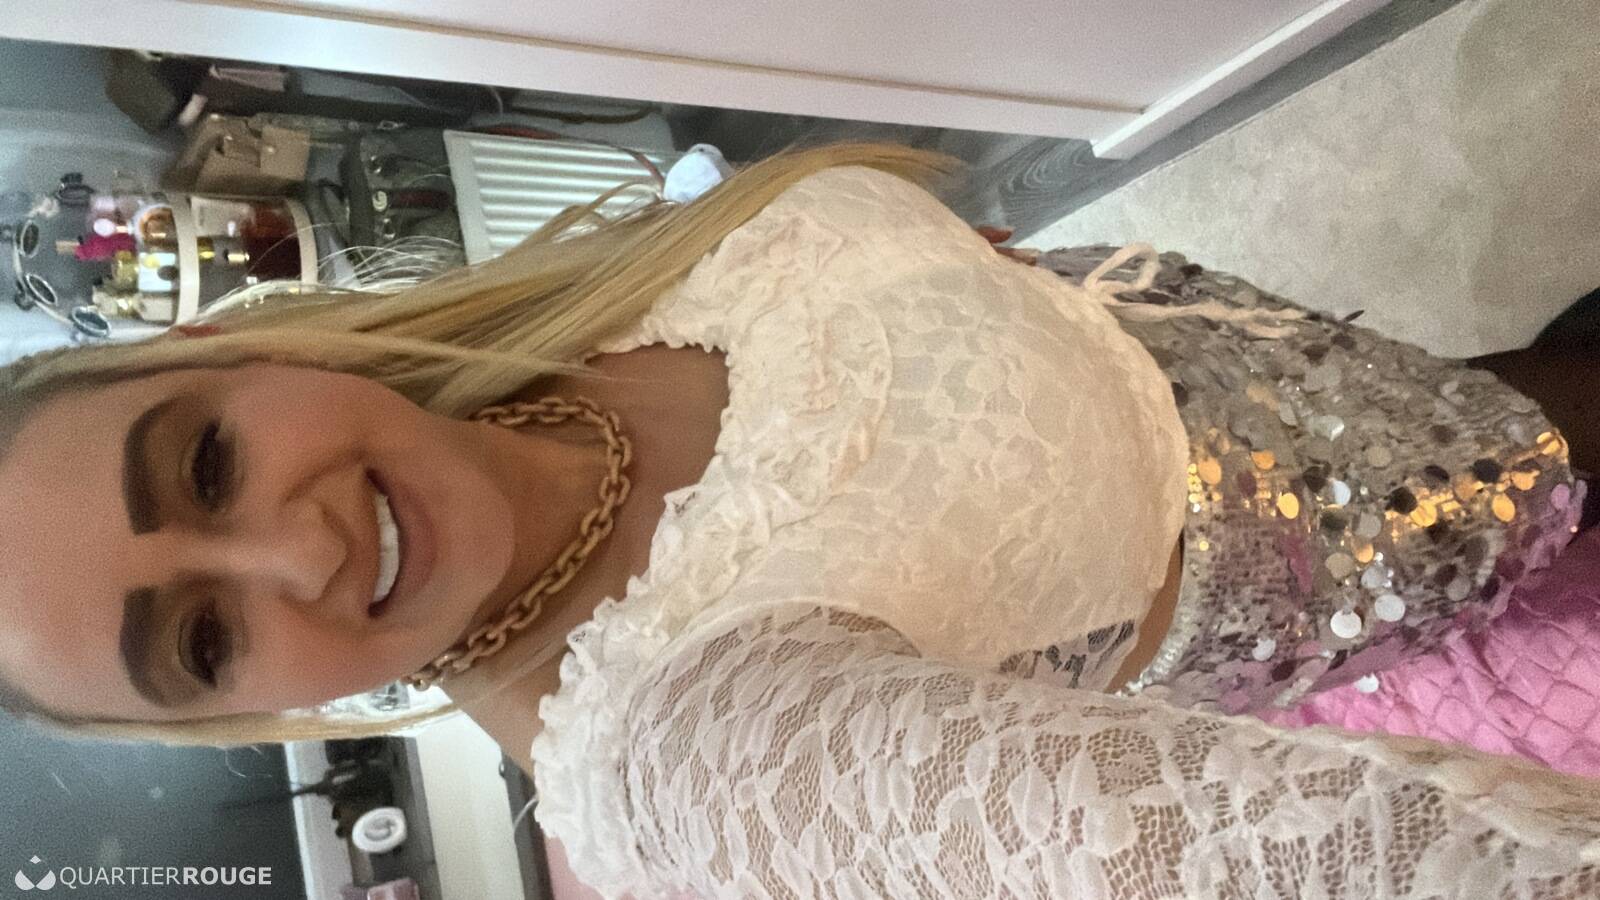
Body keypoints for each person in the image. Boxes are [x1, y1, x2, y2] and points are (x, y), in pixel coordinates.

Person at [0, 145, 1596, 898]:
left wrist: (985, 294)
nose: (298, 552)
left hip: (1293, 352)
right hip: (1407, 525)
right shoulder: (683, 754)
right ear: (239, 713)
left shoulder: (543, 339)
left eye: (205, 466)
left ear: (235, 348)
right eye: (202, 637)